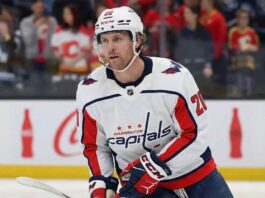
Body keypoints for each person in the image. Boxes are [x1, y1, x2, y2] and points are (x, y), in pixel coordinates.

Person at [76, 6, 233, 198]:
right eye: (104, 40)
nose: (110, 47)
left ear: (138, 40)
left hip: (199, 181)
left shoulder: (174, 77)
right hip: (143, 190)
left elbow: (193, 135)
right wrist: (102, 185)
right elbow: (96, 147)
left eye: (117, 39)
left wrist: (152, 167)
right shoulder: (90, 89)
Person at [227, 8, 259, 97]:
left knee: (247, 76)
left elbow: (256, 47)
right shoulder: (233, 31)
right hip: (236, 61)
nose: (244, 20)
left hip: (249, 62)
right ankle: (239, 95)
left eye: (246, 18)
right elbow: (231, 47)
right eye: (242, 18)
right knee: (239, 78)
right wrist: (244, 47)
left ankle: (249, 94)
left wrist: (248, 47)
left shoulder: (251, 32)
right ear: (238, 19)